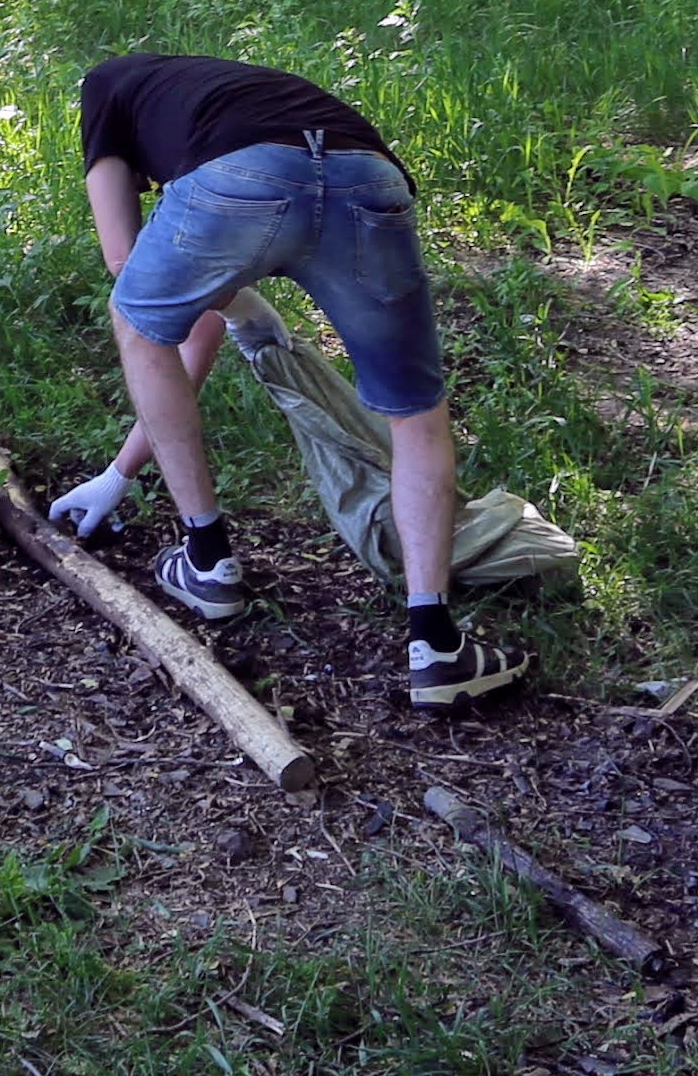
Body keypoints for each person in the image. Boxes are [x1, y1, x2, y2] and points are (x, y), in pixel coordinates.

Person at [41, 52, 529, 710]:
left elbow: (127, 269)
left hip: (240, 176)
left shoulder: (104, 83)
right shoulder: (210, 88)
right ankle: (437, 646)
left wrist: (226, 300)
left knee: (132, 316)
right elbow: (200, 328)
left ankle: (207, 559)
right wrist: (118, 473)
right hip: (367, 175)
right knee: (416, 412)